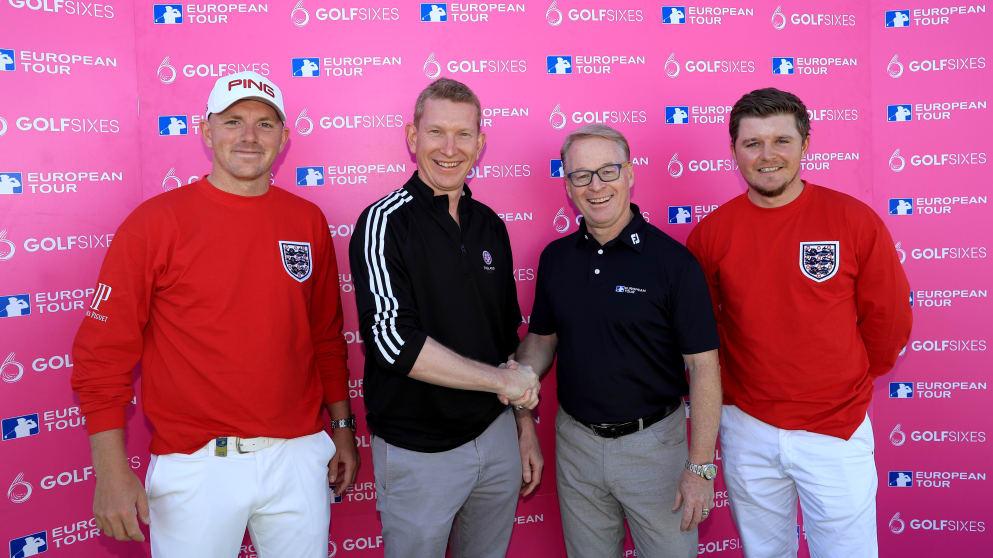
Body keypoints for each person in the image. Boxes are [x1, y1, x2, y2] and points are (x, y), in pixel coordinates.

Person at [71, 71, 358, 557]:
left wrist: (344, 431)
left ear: (284, 138)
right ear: (206, 131)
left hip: (298, 457)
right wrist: (112, 471)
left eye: (265, 124)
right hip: (197, 466)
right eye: (233, 122)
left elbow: (325, 338)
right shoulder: (154, 224)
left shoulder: (307, 221)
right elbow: (101, 357)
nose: (249, 136)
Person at [686, 87, 912, 558]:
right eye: (752, 143)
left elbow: (888, 321)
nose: (768, 156)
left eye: (781, 141)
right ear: (733, 151)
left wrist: (840, 381)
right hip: (747, 426)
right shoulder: (710, 233)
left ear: (806, 144)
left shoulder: (854, 220)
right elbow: (703, 338)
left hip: (836, 427)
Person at [348, 77, 541, 558]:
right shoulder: (384, 221)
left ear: (481, 142)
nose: (450, 148)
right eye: (436, 133)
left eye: (463, 134)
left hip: (496, 440)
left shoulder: (491, 225)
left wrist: (523, 425)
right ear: (413, 139)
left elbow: (504, 340)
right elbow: (393, 341)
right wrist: (503, 381)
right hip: (420, 452)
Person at [513, 124, 722, 558]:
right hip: (576, 445)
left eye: (607, 171)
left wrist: (700, 467)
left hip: (655, 451)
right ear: (568, 186)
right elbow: (541, 339)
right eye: (581, 175)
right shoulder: (556, 259)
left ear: (629, 173)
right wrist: (516, 381)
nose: (595, 186)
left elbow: (704, 367)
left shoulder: (674, 263)